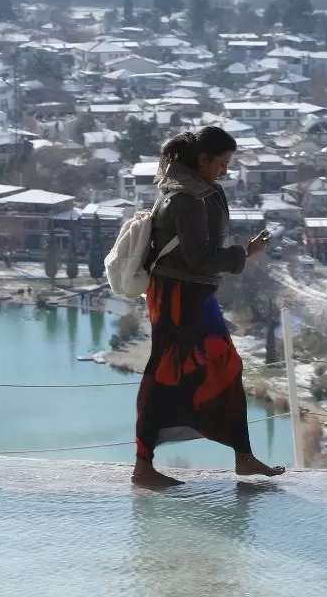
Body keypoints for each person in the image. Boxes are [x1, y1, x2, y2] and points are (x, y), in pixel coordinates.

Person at [132, 126, 285, 488]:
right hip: (176, 297)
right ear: (202, 160)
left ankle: (243, 457)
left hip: (194, 295)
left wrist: (241, 253)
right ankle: (143, 466)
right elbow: (199, 258)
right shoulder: (184, 197)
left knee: (226, 364)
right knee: (165, 373)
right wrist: (243, 253)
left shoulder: (197, 190)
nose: (225, 171)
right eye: (221, 163)